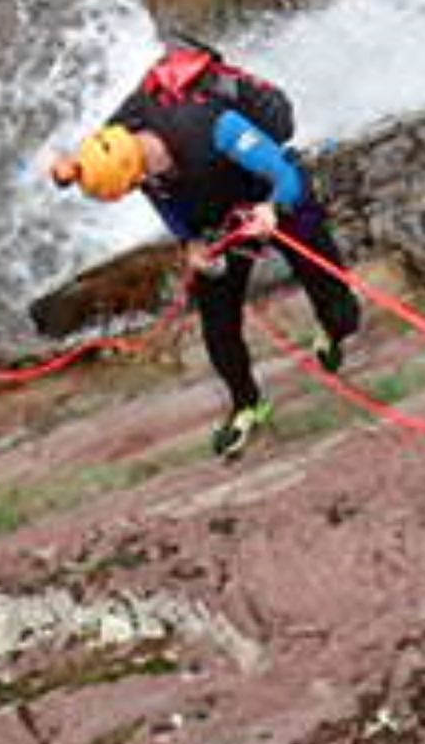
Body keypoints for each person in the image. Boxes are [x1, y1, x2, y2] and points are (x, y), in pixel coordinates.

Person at [49, 49, 360, 459]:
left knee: (341, 308)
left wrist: (273, 210)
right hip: (217, 217)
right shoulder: (122, 141)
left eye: (132, 185)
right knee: (218, 324)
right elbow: (161, 198)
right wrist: (190, 242)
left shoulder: (214, 126)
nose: (135, 189)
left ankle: (332, 331)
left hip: (270, 197)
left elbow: (286, 174)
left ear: (137, 169)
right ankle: (246, 404)